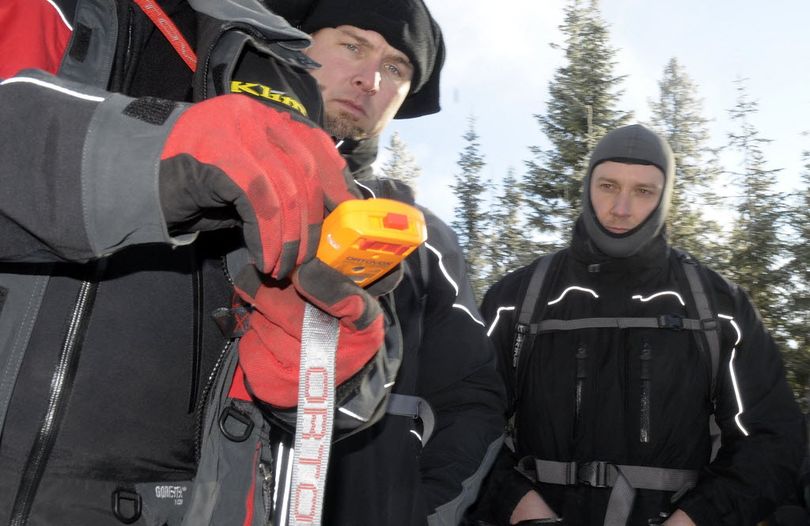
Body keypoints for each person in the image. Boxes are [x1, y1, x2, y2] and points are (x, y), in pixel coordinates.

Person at [0, 1, 504, 525]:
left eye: (397, 68)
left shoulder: (390, 226)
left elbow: (393, 407)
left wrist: (329, 369)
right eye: (353, 45)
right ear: (300, 39)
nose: (370, 79)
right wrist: (150, 158)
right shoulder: (113, 41)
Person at [475, 124, 806, 525]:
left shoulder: (719, 307)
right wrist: (521, 509)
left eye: (643, 191)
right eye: (608, 185)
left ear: (664, 197)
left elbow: (770, 437)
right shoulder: (517, 301)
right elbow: (468, 418)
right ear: (587, 186)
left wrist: (695, 518)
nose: (621, 208)